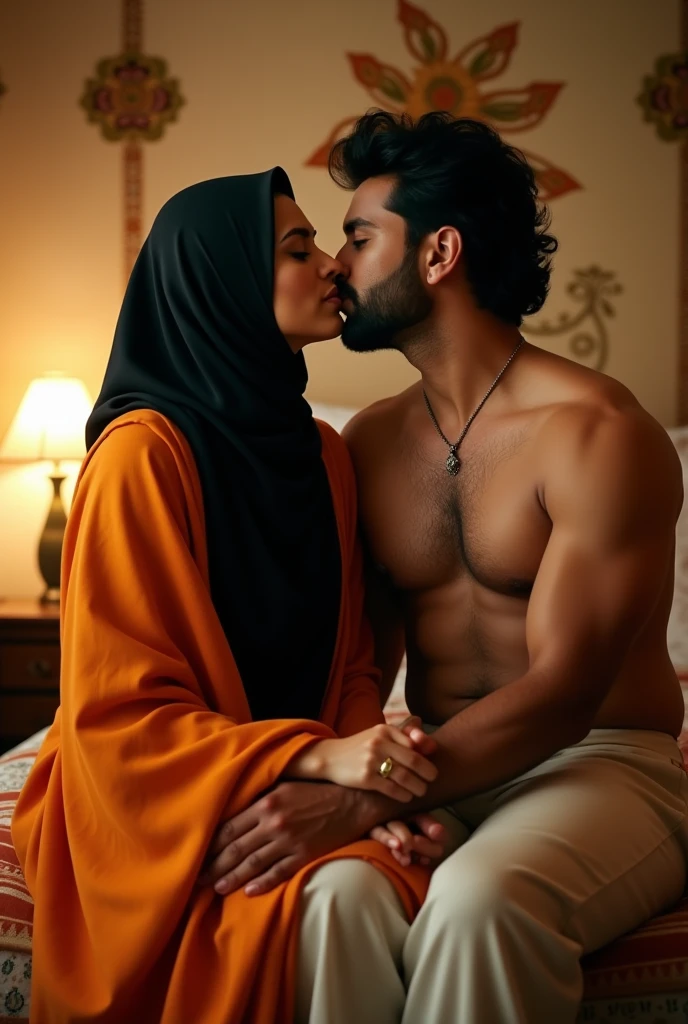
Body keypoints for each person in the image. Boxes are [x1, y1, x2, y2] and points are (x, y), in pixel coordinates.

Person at [202, 115, 688, 1024]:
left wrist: (358, 804)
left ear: (439, 254)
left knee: (478, 906)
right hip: (434, 763)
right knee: (328, 901)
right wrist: (353, 778)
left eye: (356, 236)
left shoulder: (598, 435)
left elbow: (565, 691)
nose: (335, 265)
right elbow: (362, 658)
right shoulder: (369, 442)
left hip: (601, 765)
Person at [11, 168, 443, 1024]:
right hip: (148, 798)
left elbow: (352, 664)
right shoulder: (141, 457)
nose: (330, 266)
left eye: (323, 244)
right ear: (220, 281)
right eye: (296, 248)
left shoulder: (325, 457)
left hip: (293, 769)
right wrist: (319, 760)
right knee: (343, 903)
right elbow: (118, 718)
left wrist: (377, 784)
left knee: (383, 885)